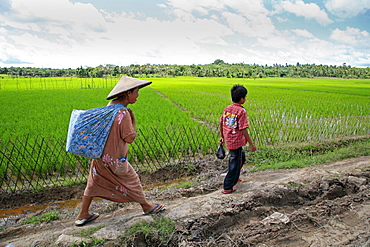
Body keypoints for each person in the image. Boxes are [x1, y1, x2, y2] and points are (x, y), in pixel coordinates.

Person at [75, 76, 164, 226]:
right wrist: (132, 120)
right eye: (136, 92)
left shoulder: (109, 107)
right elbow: (129, 137)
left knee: (93, 182)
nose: (138, 95)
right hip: (114, 159)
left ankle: (83, 214)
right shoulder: (123, 113)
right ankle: (146, 206)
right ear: (128, 93)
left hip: (100, 156)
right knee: (132, 180)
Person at [219, 84, 257, 194]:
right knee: (234, 163)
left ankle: (236, 177)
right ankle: (227, 186)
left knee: (241, 158)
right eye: (245, 97)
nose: (245, 99)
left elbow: (221, 123)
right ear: (242, 99)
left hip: (230, 139)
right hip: (236, 141)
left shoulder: (227, 109)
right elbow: (243, 128)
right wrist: (251, 143)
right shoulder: (241, 111)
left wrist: (222, 137)